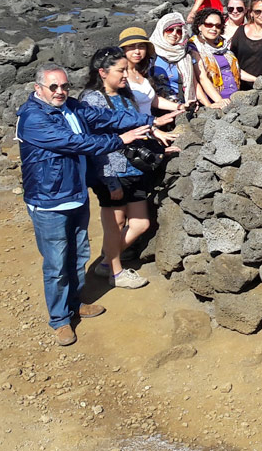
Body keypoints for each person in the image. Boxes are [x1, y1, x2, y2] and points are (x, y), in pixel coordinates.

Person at [17, 62, 156, 346]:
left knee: (78, 255)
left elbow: (106, 116)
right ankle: (60, 320)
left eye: (65, 86)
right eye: (53, 87)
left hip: (75, 195)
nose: (60, 91)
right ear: (38, 88)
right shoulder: (32, 117)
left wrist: (150, 120)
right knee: (57, 264)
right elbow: (75, 142)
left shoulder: (72, 106)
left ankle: (75, 303)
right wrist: (120, 140)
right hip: (49, 201)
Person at [80, 49, 180, 291]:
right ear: (102, 72)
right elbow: (94, 143)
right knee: (115, 223)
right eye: (121, 70)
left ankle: (106, 262)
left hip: (133, 168)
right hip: (110, 171)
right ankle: (116, 273)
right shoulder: (92, 100)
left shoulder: (126, 96)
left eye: (126, 70)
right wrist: (109, 180)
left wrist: (159, 147)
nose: (126, 74)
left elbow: (137, 130)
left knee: (140, 224)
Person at [149, 12, 227, 108]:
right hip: (158, 107)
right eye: (170, 30)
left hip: (184, 105)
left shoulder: (186, 55)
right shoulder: (150, 54)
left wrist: (208, 106)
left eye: (179, 31)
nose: (174, 34)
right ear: (161, 30)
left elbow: (194, 84)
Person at [119, 26, 186, 115]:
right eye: (131, 47)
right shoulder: (119, 75)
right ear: (123, 50)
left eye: (141, 46)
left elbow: (153, 99)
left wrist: (180, 106)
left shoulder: (143, 71)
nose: (137, 51)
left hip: (149, 121)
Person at [188, 8, 240, 100]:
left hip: (235, 96)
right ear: (199, 26)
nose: (214, 28)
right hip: (216, 99)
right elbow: (202, 78)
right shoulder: (194, 47)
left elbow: (235, 70)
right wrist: (219, 101)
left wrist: (256, 79)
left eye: (218, 26)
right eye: (209, 25)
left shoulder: (223, 46)